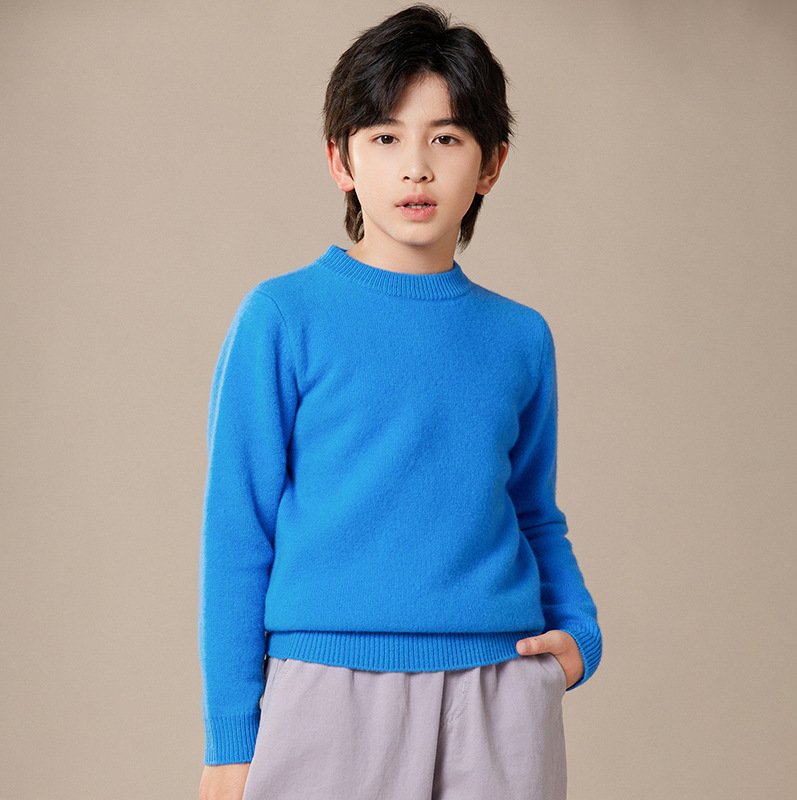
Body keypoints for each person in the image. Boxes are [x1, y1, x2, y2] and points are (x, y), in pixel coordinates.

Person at [198, 5, 601, 799]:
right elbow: (237, 532)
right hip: (327, 691)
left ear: (491, 164)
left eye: (446, 138)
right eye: (385, 137)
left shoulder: (520, 337)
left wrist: (580, 634)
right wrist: (229, 741)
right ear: (340, 159)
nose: (416, 167)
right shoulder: (282, 317)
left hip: (500, 688)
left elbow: (532, 511)